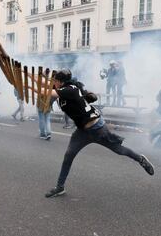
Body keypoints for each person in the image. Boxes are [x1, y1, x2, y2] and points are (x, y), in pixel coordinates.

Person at [45, 69, 154, 197]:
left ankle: (141, 159)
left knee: (119, 150)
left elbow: (45, 91)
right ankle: (60, 187)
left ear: (60, 81)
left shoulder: (70, 89)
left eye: (55, 80)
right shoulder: (65, 89)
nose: (53, 83)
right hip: (82, 131)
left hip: (97, 128)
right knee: (68, 156)